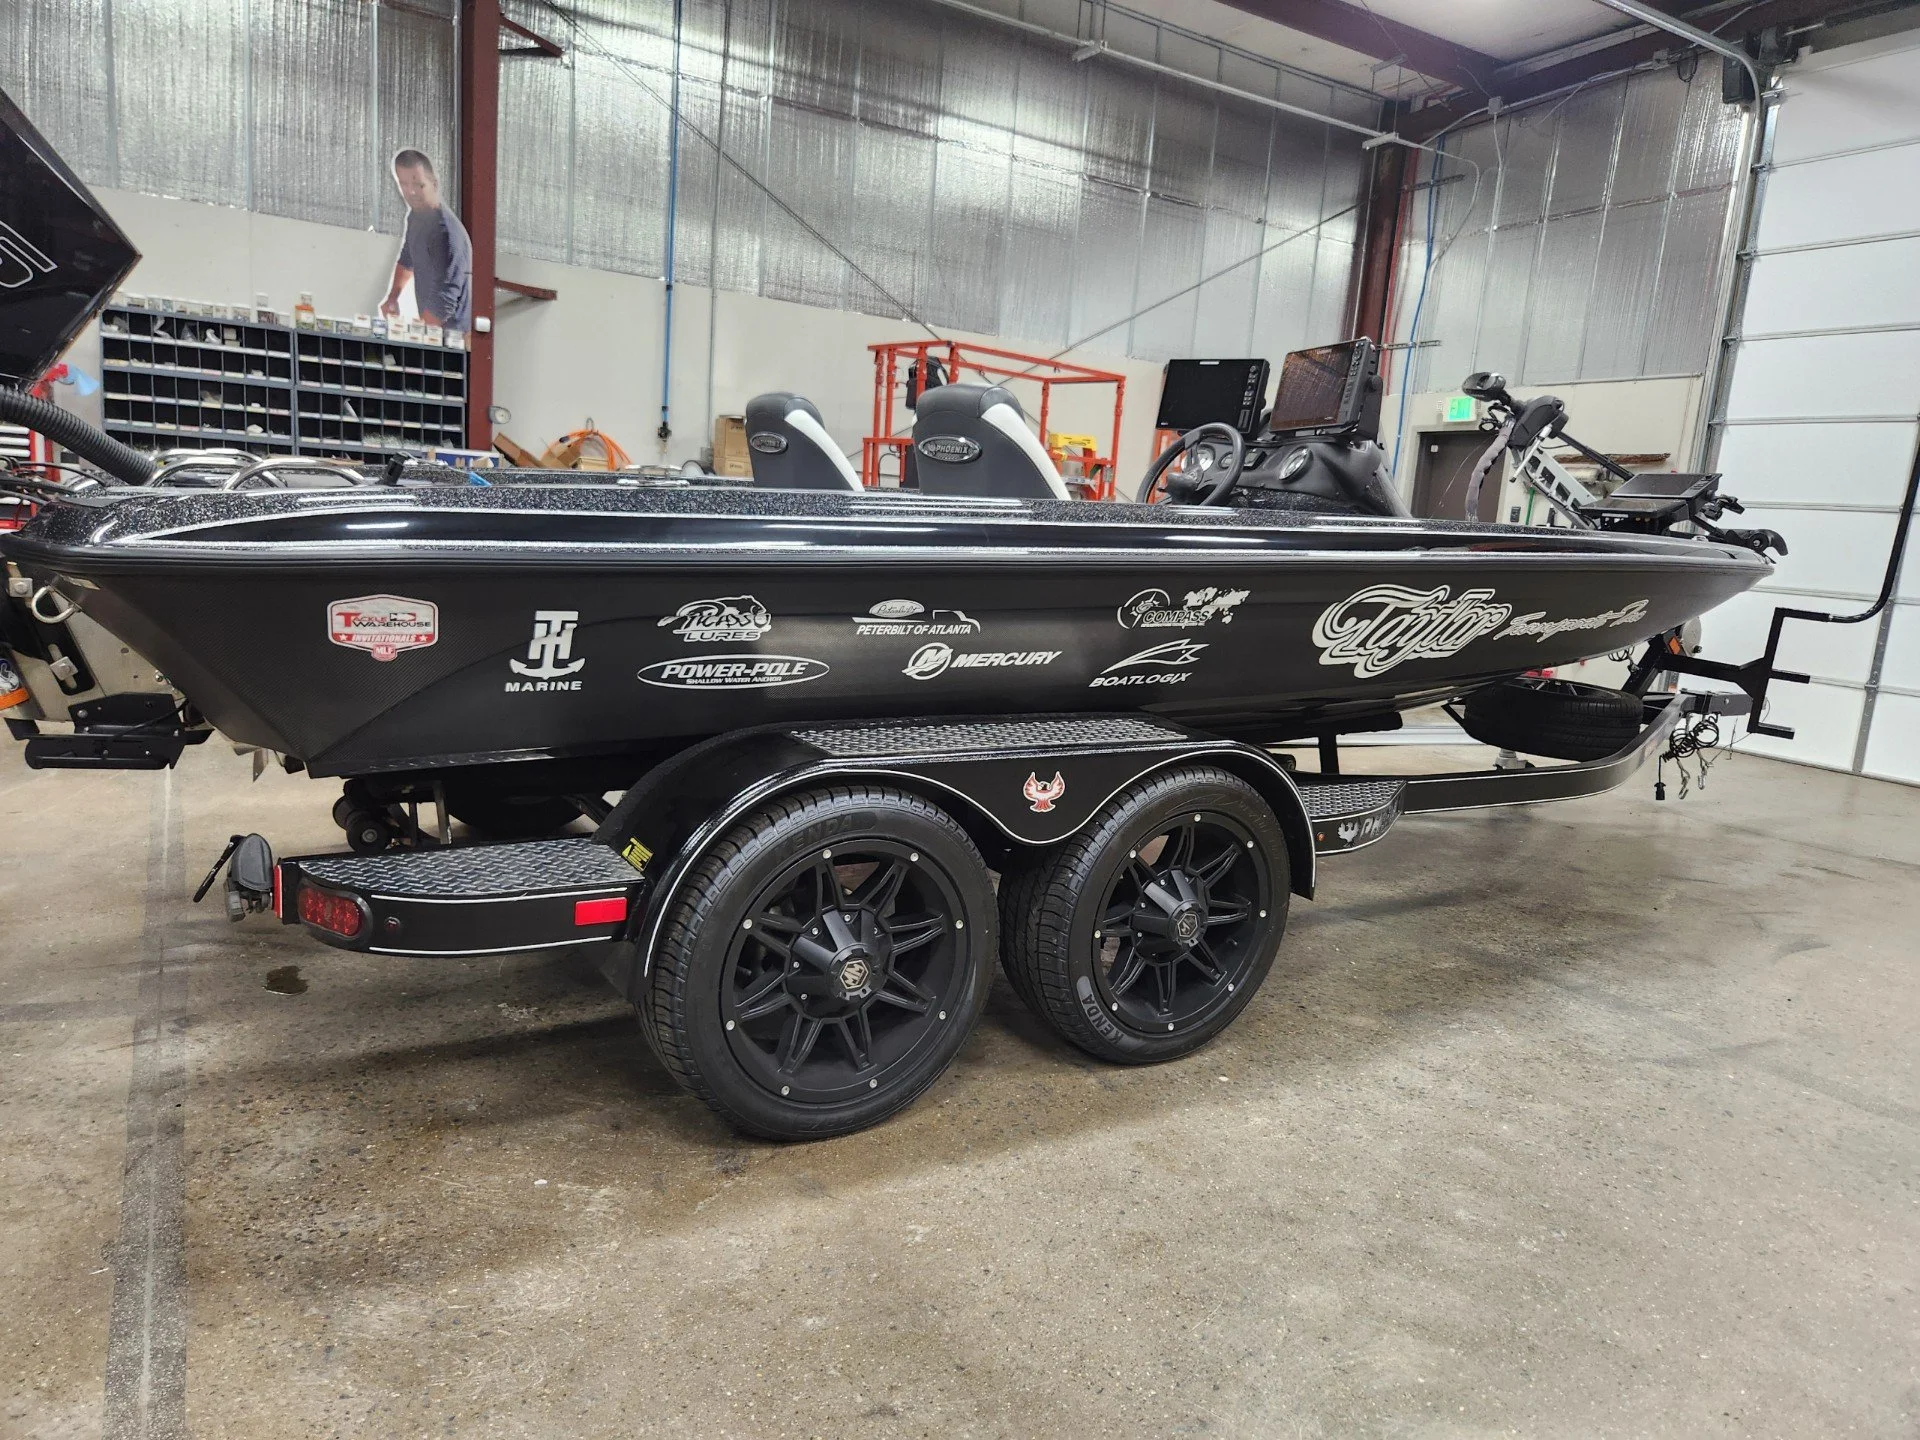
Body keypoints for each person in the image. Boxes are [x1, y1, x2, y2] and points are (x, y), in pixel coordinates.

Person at [381, 149, 472, 331]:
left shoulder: (446, 232)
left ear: (434, 184)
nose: (411, 192)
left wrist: (418, 336)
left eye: (419, 185)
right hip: (432, 330)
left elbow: (446, 297)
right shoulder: (416, 217)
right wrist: (392, 297)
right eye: (403, 184)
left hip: (454, 337)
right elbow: (407, 260)